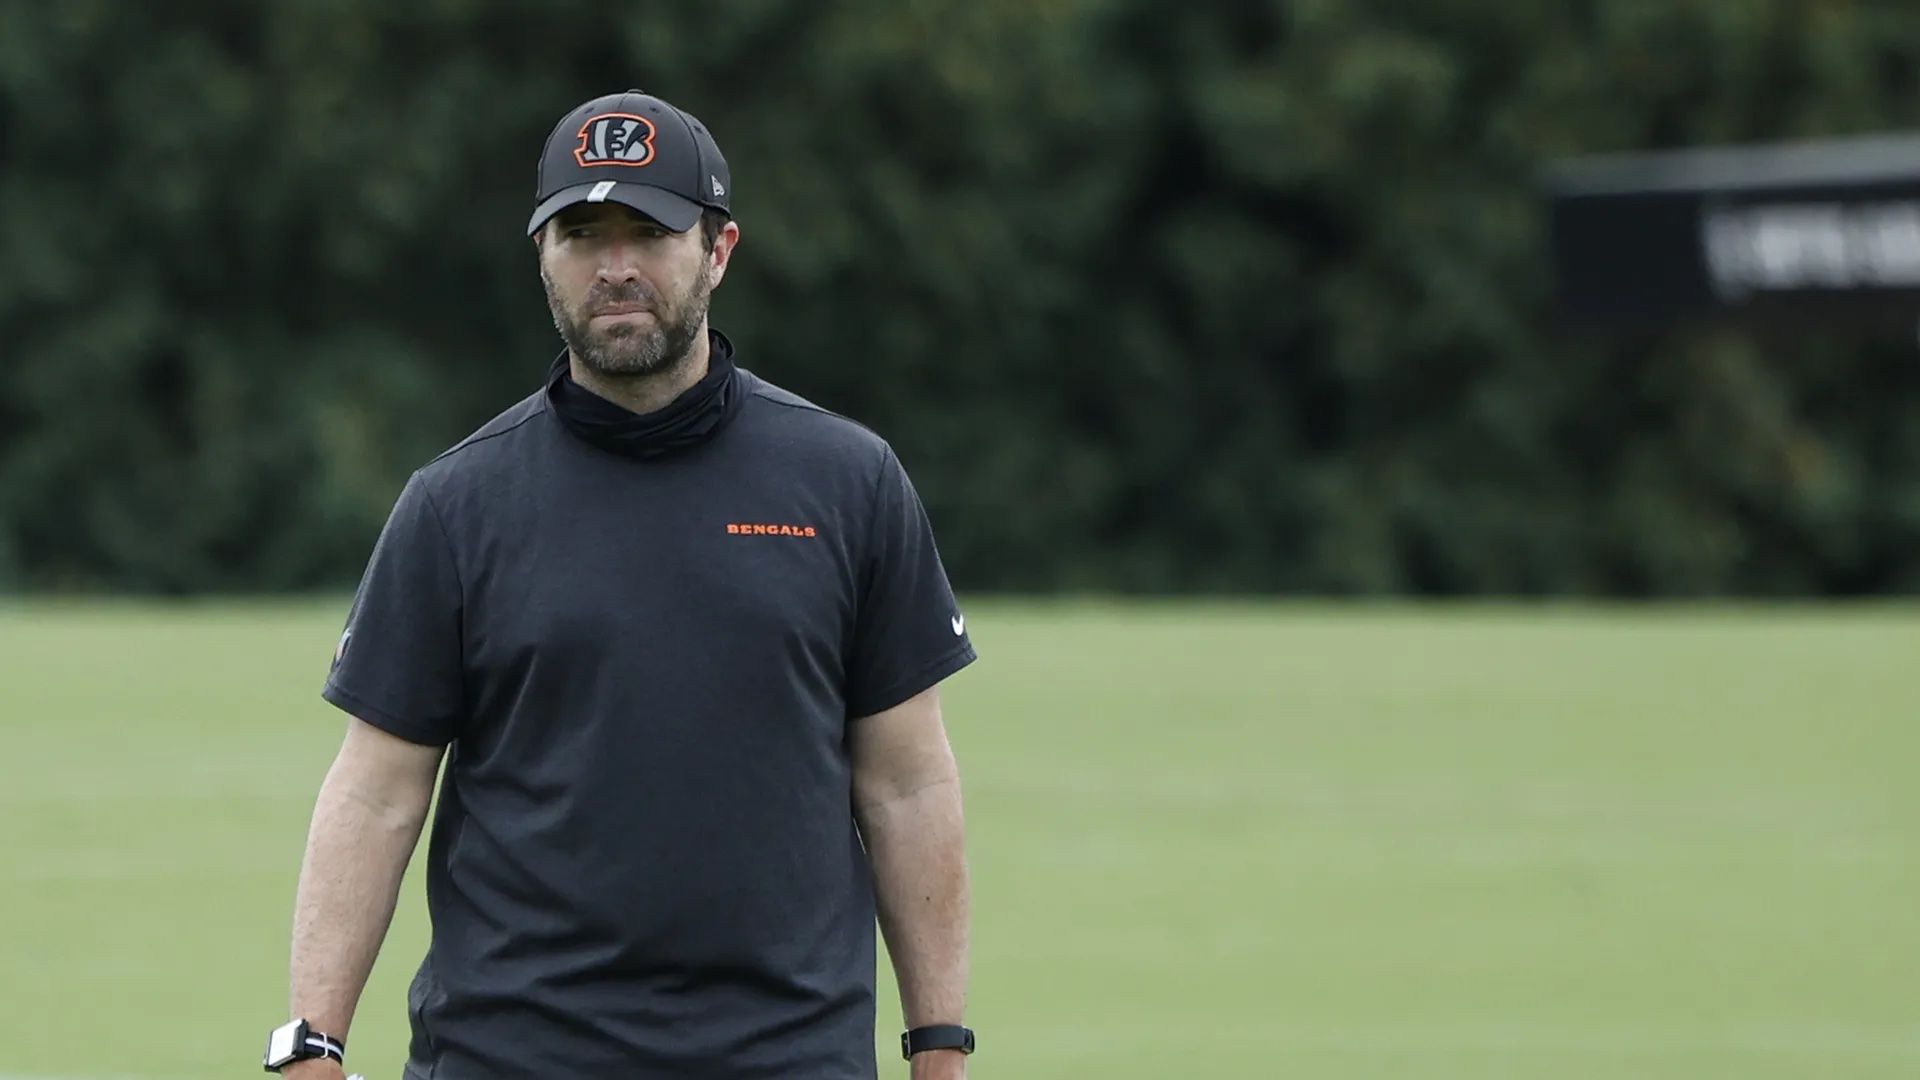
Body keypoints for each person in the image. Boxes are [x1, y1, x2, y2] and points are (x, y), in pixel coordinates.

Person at [264, 89, 977, 1079]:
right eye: (580, 233)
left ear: (719, 249)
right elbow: (378, 792)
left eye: (650, 231)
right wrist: (313, 1043)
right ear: (543, 258)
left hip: (783, 1057)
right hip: (511, 1055)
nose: (616, 268)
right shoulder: (456, 505)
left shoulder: (847, 484)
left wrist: (939, 1044)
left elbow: (906, 783)